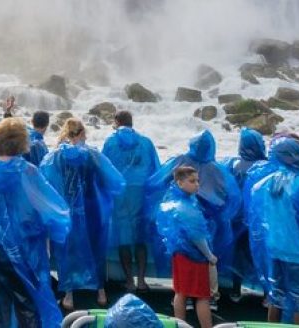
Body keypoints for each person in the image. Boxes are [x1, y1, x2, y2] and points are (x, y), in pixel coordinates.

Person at [0, 118, 70, 327]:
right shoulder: (29, 173)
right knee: (28, 305)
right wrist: (51, 240)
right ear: (21, 144)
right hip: (26, 249)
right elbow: (55, 211)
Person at [40, 118, 125, 309]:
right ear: (80, 134)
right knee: (96, 248)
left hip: (65, 211)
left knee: (66, 251)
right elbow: (113, 180)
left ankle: (69, 295)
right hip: (92, 208)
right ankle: (100, 292)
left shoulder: (54, 157)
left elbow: (45, 184)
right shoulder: (93, 154)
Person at [146, 129, 240, 283]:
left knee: (184, 256)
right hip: (211, 220)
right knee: (207, 259)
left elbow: (157, 182)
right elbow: (230, 197)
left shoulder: (180, 162)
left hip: (180, 218)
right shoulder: (217, 169)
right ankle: (207, 295)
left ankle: (184, 294)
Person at [248, 136, 299, 325]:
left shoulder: (266, 183)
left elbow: (259, 219)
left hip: (274, 248)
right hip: (298, 252)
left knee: (277, 296)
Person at [101, 110, 160, 293]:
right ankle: (142, 280)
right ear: (132, 122)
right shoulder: (146, 142)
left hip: (120, 194)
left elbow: (104, 169)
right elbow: (155, 170)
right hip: (140, 192)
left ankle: (129, 281)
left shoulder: (111, 141)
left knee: (122, 236)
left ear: (117, 122)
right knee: (140, 236)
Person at [157, 166, 218, 328]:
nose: (197, 184)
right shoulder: (187, 207)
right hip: (195, 257)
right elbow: (197, 236)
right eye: (192, 181)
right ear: (180, 183)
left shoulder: (172, 200)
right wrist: (209, 256)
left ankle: (180, 324)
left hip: (179, 255)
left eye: (198, 180)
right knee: (202, 296)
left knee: (181, 292)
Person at [222, 128, 267, 300]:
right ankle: (267, 293)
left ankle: (235, 289)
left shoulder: (232, 164)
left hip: (236, 218)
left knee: (237, 255)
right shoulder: (266, 166)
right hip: (258, 220)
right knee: (260, 256)